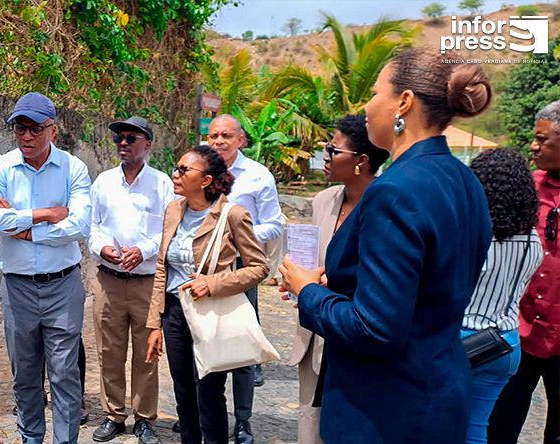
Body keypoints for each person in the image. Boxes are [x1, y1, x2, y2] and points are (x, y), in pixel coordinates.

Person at [278, 48, 493, 443]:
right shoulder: (465, 181)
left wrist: (307, 291)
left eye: (375, 93)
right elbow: (424, 287)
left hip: (387, 407)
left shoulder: (393, 192)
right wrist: (339, 286)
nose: (366, 107)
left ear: (403, 103)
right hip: (440, 389)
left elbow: (375, 329)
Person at [0, 92, 91, 444]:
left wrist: (23, 230)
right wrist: (44, 215)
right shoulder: (1, 166)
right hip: (17, 288)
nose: (27, 136)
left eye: (35, 129)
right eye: (20, 128)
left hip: (63, 286)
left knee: (64, 375)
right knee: (25, 374)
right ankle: (31, 438)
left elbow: (80, 226)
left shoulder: (74, 168)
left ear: (53, 131)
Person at [145, 145, 268, 444]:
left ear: (205, 180)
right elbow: (162, 267)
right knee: (183, 392)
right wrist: (154, 324)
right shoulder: (174, 209)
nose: (175, 174)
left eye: (184, 170)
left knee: (210, 393)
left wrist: (211, 284)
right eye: (176, 168)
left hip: (210, 313)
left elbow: (258, 268)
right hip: (175, 312)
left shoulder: (233, 215)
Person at [291, 114, 388, 444]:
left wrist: (329, 284)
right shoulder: (323, 200)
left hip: (355, 329)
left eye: (333, 150)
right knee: (310, 418)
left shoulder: (386, 204)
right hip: (316, 328)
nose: (326, 157)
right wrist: (297, 281)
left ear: (361, 160)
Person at [88, 116, 173, 444]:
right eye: (119, 138)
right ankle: (113, 414)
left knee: (146, 352)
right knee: (109, 350)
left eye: (131, 138)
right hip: (108, 281)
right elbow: (92, 226)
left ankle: (144, 418)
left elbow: (168, 229)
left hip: (146, 281)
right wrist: (102, 247)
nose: (123, 143)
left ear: (148, 144)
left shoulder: (162, 184)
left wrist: (145, 250)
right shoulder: (103, 182)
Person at [207, 114, 284, 443]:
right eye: (213, 136)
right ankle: (204, 413)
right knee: (205, 345)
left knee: (241, 351)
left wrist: (237, 234)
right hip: (203, 273)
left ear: (240, 140)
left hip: (240, 270)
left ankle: (242, 422)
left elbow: (274, 224)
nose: (218, 142)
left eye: (226, 136)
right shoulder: (197, 166)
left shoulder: (257, 176)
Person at [488, 100, 560, 444]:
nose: (534, 146)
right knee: (500, 423)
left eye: (543, 140)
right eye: (535, 138)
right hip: (521, 332)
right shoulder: (527, 189)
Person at [460, 149, 543, 444]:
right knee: (476, 430)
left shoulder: (471, 236)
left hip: (465, 341)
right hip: (505, 343)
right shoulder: (532, 239)